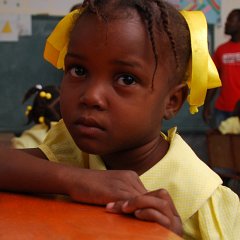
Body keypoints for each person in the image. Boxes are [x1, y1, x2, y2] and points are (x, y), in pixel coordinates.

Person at [0, 1, 239, 239]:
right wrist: (75, 180)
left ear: (172, 102)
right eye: (78, 70)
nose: (91, 96)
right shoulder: (71, 154)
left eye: (126, 79)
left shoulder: (203, 200)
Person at [203, 9, 240, 128]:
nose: (226, 23)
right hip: (222, 110)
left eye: (230, 20)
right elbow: (214, 80)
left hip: (239, 111)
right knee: (220, 145)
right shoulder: (221, 50)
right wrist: (206, 105)